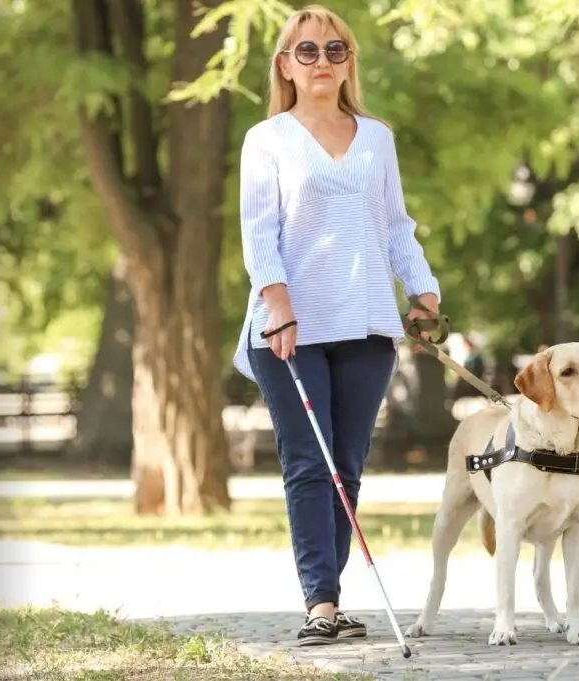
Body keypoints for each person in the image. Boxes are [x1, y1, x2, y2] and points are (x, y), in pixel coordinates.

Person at [231, 5, 441, 646]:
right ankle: (320, 603)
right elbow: (258, 232)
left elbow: (395, 226)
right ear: (284, 66)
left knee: (346, 466)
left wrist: (424, 290)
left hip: (368, 322)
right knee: (308, 463)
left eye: (335, 50)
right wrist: (279, 305)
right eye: (307, 51)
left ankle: (333, 595)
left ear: (349, 61)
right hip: (288, 326)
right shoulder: (266, 140)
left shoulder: (377, 137)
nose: (322, 61)